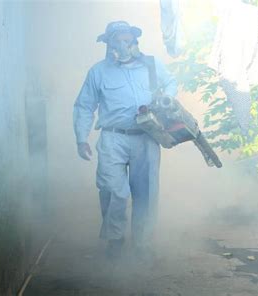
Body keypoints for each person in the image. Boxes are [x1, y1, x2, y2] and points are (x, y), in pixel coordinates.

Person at [73, 21, 178, 260]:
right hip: (113, 137)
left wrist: (166, 100)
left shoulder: (151, 65)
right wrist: (81, 138)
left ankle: (143, 245)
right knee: (113, 190)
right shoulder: (98, 71)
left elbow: (171, 82)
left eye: (127, 39)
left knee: (146, 192)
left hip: (147, 136)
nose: (123, 44)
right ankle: (115, 240)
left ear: (135, 41)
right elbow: (84, 105)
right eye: (117, 40)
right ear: (108, 44)